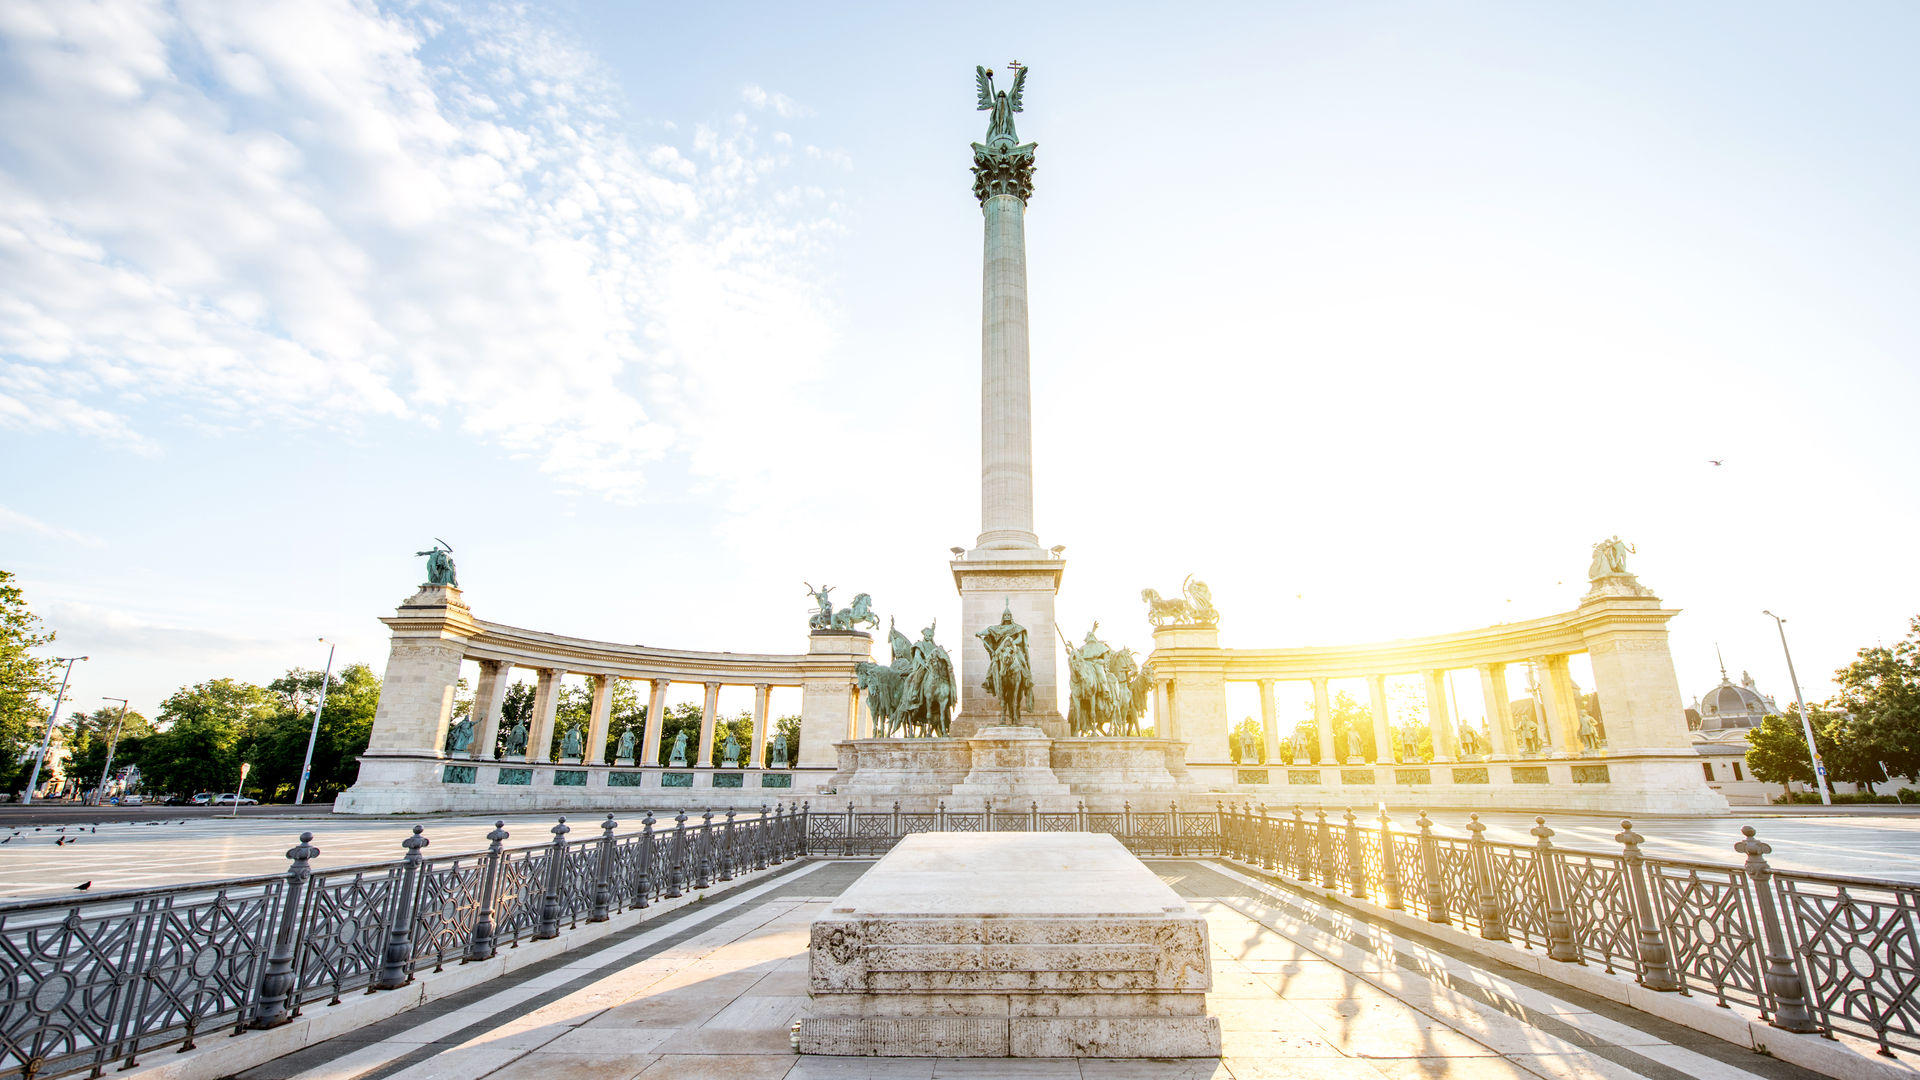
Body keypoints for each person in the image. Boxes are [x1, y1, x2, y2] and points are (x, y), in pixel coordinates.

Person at [975, 601, 1033, 724]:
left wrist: (1011, 642)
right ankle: (989, 679)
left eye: (1008, 615)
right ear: (1003, 617)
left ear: (1011, 617)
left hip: (1014, 649)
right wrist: (980, 633)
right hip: (1002, 650)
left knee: (1021, 661)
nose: (1007, 617)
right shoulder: (998, 628)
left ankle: (1027, 678)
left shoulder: (1017, 628)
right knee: (994, 662)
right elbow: (989, 630)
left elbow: (1020, 639)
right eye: (1005, 615)